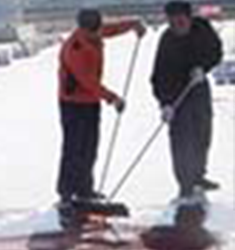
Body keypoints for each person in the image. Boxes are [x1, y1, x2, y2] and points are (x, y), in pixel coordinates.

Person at [56, 9, 146, 208]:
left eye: (98, 29)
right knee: (74, 148)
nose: (98, 34)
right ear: (82, 29)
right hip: (72, 103)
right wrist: (113, 99)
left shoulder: (94, 31)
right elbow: (88, 82)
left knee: (90, 147)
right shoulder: (75, 48)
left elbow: (112, 28)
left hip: (90, 101)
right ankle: (66, 193)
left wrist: (133, 24)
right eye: (94, 32)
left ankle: (84, 189)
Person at [151, 1, 223, 199]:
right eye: (172, 21)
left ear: (189, 17)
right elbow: (158, 77)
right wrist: (165, 104)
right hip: (176, 95)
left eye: (181, 20)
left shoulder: (202, 28)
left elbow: (216, 52)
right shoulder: (167, 40)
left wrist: (204, 67)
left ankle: (198, 175)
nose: (177, 25)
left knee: (202, 133)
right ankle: (185, 183)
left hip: (198, 88)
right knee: (182, 140)